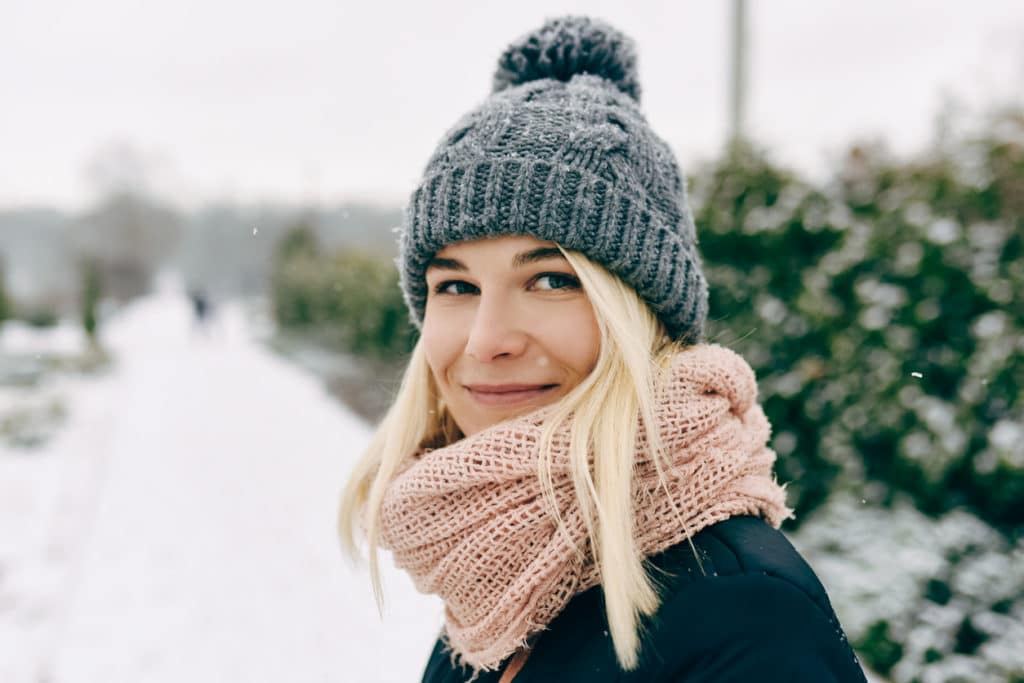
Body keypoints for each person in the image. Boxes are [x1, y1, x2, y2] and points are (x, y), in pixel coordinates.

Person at [339, 15, 868, 683]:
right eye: (455, 285)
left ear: (642, 315)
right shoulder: (497, 588)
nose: (486, 339)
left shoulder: (748, 618)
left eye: (551, 279)